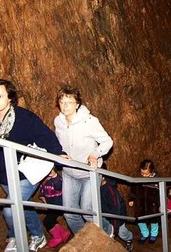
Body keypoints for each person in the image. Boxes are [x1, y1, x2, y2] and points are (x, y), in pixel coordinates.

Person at [0, 78, 63, 252]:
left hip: (26, 173)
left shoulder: (25, 118)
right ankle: (36, 236)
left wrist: (59, 155)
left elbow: (46, 137)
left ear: (10, 98)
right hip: (4, 175)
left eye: (0, 96)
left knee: (10, 210)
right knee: (22, 205)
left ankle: (16, 237)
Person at [54, 86, 114, 236]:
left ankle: (108, 231)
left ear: (77, 104)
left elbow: (107, 141)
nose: (65, 105)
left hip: (89, 173)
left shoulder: (89, 121)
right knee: (70, 213)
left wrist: (95, 154)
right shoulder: (58, 121)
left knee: (88, 212)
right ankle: (85, 241)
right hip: (69, 172)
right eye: (62, 102)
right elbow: (59, 143)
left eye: (69, 102)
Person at [128, 159, 160, 244]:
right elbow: (133, 190)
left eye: (146, 174)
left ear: (152, 171)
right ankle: (145, 233)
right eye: (142, 173)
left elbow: (160, 193)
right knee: (140, 220)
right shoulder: (137, 178)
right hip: (140, 204)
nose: (143, 175)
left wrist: (160, 204)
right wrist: (132, 199)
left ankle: (154, 234)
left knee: (154, 220)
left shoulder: (157, 180)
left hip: (152, 204)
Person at [100, 173, 133, 251]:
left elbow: (116, 212)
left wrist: (114, 230)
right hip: (105, 215)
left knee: (121, 233)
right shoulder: (96, 186)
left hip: (118, 216)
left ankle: (129, 238)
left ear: (103, 177)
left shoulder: (110, 190)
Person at [39, 169, 72, 248]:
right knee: (52, 220)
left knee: (47, 221)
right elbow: (42, 191)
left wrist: (54, 176)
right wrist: (42, 197)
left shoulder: (57, 180)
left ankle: (58, 237)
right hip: (51, 205)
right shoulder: (43, 181)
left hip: (60, 205)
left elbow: (60, 185)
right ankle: (64, 233)